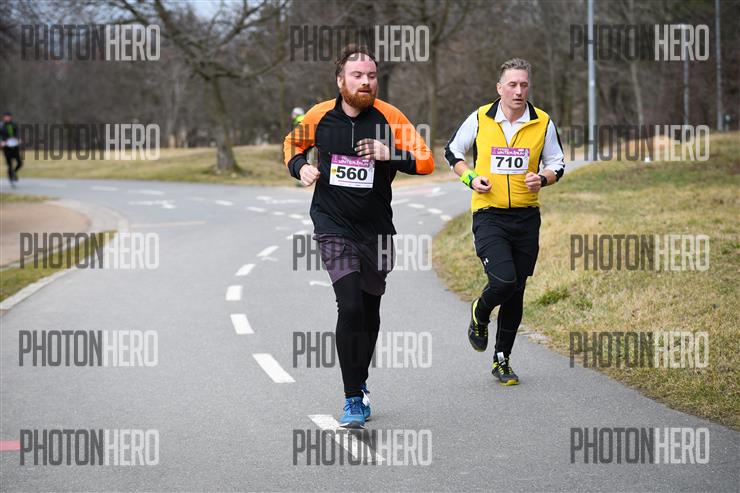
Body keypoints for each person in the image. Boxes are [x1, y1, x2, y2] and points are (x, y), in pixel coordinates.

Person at [283, 44, 434, 428]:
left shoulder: (391, 117)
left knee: (369, 311)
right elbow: (292, 144)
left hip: (377, 231)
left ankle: (360, 379)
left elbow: (426, 161)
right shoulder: (320, 115)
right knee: (349, 305)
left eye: (371, 76)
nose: (366, 82)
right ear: (340, 80)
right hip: (333, 224)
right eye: (357, 76)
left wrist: (389, 153)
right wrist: (300, 167)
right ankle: (352, 398)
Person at [444, 58, 565, 385]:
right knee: (504, 282)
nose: (518, 90)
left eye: (524, 84)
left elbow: (557, 163)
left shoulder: (542, 122)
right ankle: (480, 312)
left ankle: (502, 360)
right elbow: (452, 152)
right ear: (500, 88)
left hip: (526, 216)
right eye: (512, 84)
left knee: (517, 290)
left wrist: (543, 178)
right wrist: (470, 178)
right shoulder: (480, 118)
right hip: (489, 214)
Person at [0, 112, 23, 187]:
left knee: (20, 163)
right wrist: (1, 142)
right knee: (9, 165)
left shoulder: (14, 124)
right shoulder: (1, 125)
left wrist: (18, 139)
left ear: (10, 117)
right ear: (4, 117)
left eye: (8, 117)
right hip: (6, 148)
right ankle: (11, 180)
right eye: (6, 117)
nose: (7, 118)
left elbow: (17, 133)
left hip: (15, 147)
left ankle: (14, 172)